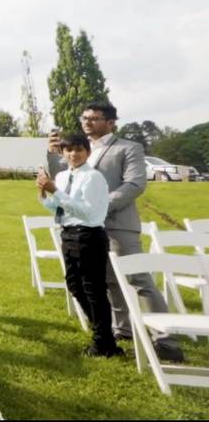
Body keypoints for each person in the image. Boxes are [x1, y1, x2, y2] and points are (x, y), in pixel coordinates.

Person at [47, 102, 184, 362]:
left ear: (111, 122)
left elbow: (134, 184)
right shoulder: (80, 149)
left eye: (94, 118)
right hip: (86, 230)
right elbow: (64, 182)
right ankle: (122, 330)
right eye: (84, 118)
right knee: (106, 282)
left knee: (139, 280)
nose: (87, 122)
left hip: (119, 223)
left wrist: (100, 206)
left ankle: (166, 340)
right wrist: (54, 154)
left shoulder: (128, 148)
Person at [37, 133, 122, 358]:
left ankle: (104, 343)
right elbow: (58, 208)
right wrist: (44, 192)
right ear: (63, 153)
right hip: (69, 235)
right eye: (69, 150)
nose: (74, 154)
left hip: (89, 236)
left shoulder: (93, 177)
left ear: (88, 152)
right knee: (75, 285)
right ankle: (103, 334)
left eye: (79, 149)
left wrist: (54, 189)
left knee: (93, 289)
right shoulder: (63, 176)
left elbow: (87, 212)